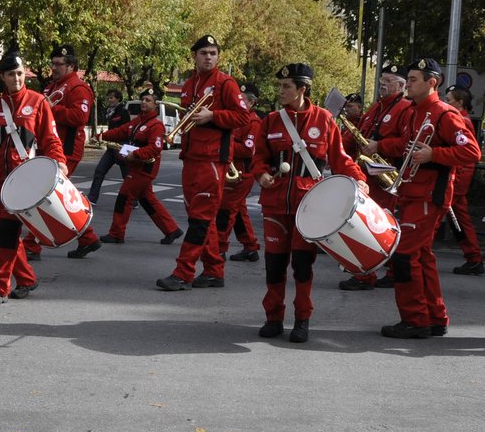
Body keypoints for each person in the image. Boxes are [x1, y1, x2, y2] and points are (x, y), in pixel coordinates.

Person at [252, 63, 366, 343]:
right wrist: (261, 174)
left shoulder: (325, 120)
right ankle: (273, 318)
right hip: (275, 205)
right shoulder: (271, 121)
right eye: (280, 86)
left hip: (310, 207)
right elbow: (258, 158)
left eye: (286, 86)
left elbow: (341, 159)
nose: (280, 91)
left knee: (303, 265)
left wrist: (359, 179)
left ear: (302, 89)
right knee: (274, 264)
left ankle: (302, 320)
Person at [368, 58, 481, 338]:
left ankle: (415, 320)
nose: (409, 84)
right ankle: (435, 316)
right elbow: (403, 144)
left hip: (429, 194)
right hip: (411, 190)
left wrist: (434, 155)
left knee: (405, 256)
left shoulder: (444, 113)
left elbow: (472, 153)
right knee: (422, 257)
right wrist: (380, 147)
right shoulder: (411, 112)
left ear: (433, 82)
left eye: (414, 79)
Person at [157, 34, 253, 291]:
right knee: (202, 217)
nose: (208, 57)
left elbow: (243, 117)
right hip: (191, 156)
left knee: (200, 218)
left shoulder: (226, 83)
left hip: (212, 159)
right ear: (195, 56)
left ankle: (183, 272)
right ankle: (213, 271)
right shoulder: (189, 84)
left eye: (213, 53)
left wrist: (213, 115)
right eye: (204, 53)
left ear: (218, 56)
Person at [0, 52, 66, 304]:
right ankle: (26, 279)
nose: (16, 78)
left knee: (7, 229)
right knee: (5, 231)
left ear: (24, 73)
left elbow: (51, 138)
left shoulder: (38, 102)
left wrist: (60, 163)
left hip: (23, 178)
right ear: (2, 77)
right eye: (10, 74)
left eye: (19, 73)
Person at [31, 43, 102, 261]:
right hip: (50, 146)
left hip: (66, 149)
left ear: (71, 66)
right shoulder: (54, 86)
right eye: (52, 63)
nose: (54, 67)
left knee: (42, 197)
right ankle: (88, 237)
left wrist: (52, 109)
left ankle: (31, 246)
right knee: (58, 197)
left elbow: (79, 117)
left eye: (58, 64)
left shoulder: (78, 88)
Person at [342, 65, 409, 290]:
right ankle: (369, 272)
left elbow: (407, 144)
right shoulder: (375, 108)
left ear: (401, 86)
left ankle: (385, 273)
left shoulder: (406, 109)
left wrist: (380, 145)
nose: (383, 84)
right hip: (369, 175)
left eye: (389, 80)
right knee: (368, 225)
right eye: (382, 79)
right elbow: (358, 135)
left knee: (383, 224)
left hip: (387, 175)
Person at [94, 85, 181, 244]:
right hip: (136, 165)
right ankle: (172, 230)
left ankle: (116, 234)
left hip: (144, 168)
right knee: (148, 200)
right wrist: (101, 136)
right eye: (142, 99)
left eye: (148, 100)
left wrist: (135, 154)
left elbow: (155, 148)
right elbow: (120, 131)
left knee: (124, 196)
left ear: (155, 105)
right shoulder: (137, 121)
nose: (143, 102)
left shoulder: (156, 125)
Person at [213, 83, 262, 264]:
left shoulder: (253, 122)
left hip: (242, 174)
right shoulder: (238, 119)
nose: (237, 102)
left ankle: (219, 248)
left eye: (241, 100)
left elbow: (249, 150)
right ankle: (250, 247)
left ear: (252, 102)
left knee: (225, 211)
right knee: (239, 211)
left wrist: (224, 143)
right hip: (233, 170)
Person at [446, 85, 485, 275]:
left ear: (460, 103)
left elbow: (467, 153)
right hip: (458, 177)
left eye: (449, 100)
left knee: (455, 219)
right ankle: (473, 258)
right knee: (458, 220)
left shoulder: (461, 120)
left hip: (458, 177)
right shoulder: (461, 119)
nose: (446, 103)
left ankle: (474, 258)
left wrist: (456, 183)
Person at [87, 88, 132, 203]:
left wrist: (101, 136)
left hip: (121, 147)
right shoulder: (109, 112)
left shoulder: (123, 112)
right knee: (99, 171)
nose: (109, 100)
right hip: (111, 147)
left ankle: (132, 200)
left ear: (118, 99)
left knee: (127, 176)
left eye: (112, 97)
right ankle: (92, 198)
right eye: (109, 97)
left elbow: (124, 130)